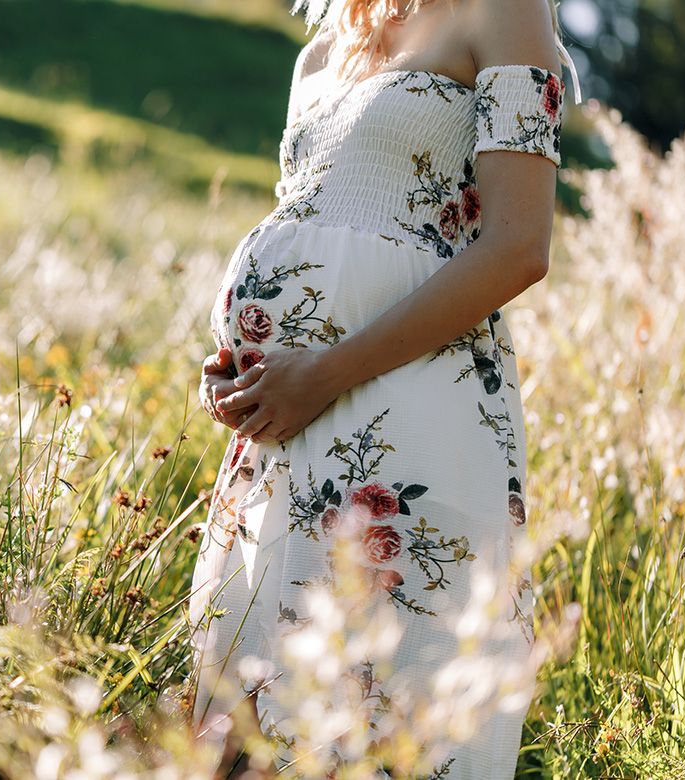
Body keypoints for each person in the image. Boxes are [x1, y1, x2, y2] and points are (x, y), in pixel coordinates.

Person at [189, 0, 579, 777]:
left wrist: (323, 370)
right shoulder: (319, 55)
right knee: (245, 720)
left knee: (381, 722)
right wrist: (241, 365)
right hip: (284, 441)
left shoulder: (505, 13)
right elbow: (309, 219)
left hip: (409, 426)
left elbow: (518, 248)